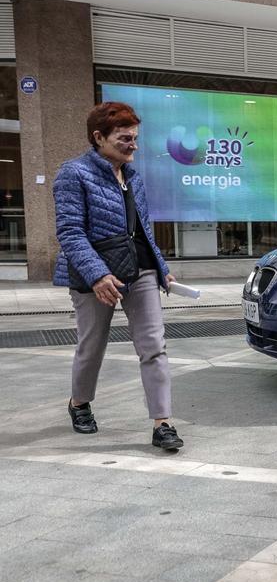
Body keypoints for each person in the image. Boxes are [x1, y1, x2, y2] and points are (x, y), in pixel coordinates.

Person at [53, 102, 184, 451]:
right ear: (99, 137)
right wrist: (97, 275)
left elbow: (141, 229)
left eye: (135, 138)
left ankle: (163, 423)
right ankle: (79, 402)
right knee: (92, 344)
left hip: (138, 271)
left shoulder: (132, 176)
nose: (134, 146)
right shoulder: (74, 173)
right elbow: (69, 232)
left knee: (154, 346)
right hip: (94, 275)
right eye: (125, 138)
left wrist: (160, 267)